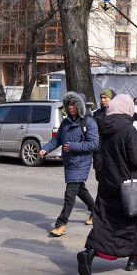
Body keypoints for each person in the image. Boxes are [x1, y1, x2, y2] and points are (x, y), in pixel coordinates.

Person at [77, 94, 137, 275]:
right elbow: (135, 160)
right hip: (127, 183)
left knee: (105, 221)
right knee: (134, 220)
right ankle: (133, 259)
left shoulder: (102, 128)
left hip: (107, 182)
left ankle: (90, 253)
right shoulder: (128, 130)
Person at [40, 92, 100, 236]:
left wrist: (73, 146)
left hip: (81, 163)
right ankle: (96, 212)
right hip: (69, 163)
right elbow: (57, 140)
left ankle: (61, 224)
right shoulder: (66, 122)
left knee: (70, 194)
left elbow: (94, 143)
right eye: (69, 104)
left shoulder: (89, 122)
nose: (71, 107)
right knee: (80, 190)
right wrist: (45, 149)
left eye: (74, 104)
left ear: (80, 106)